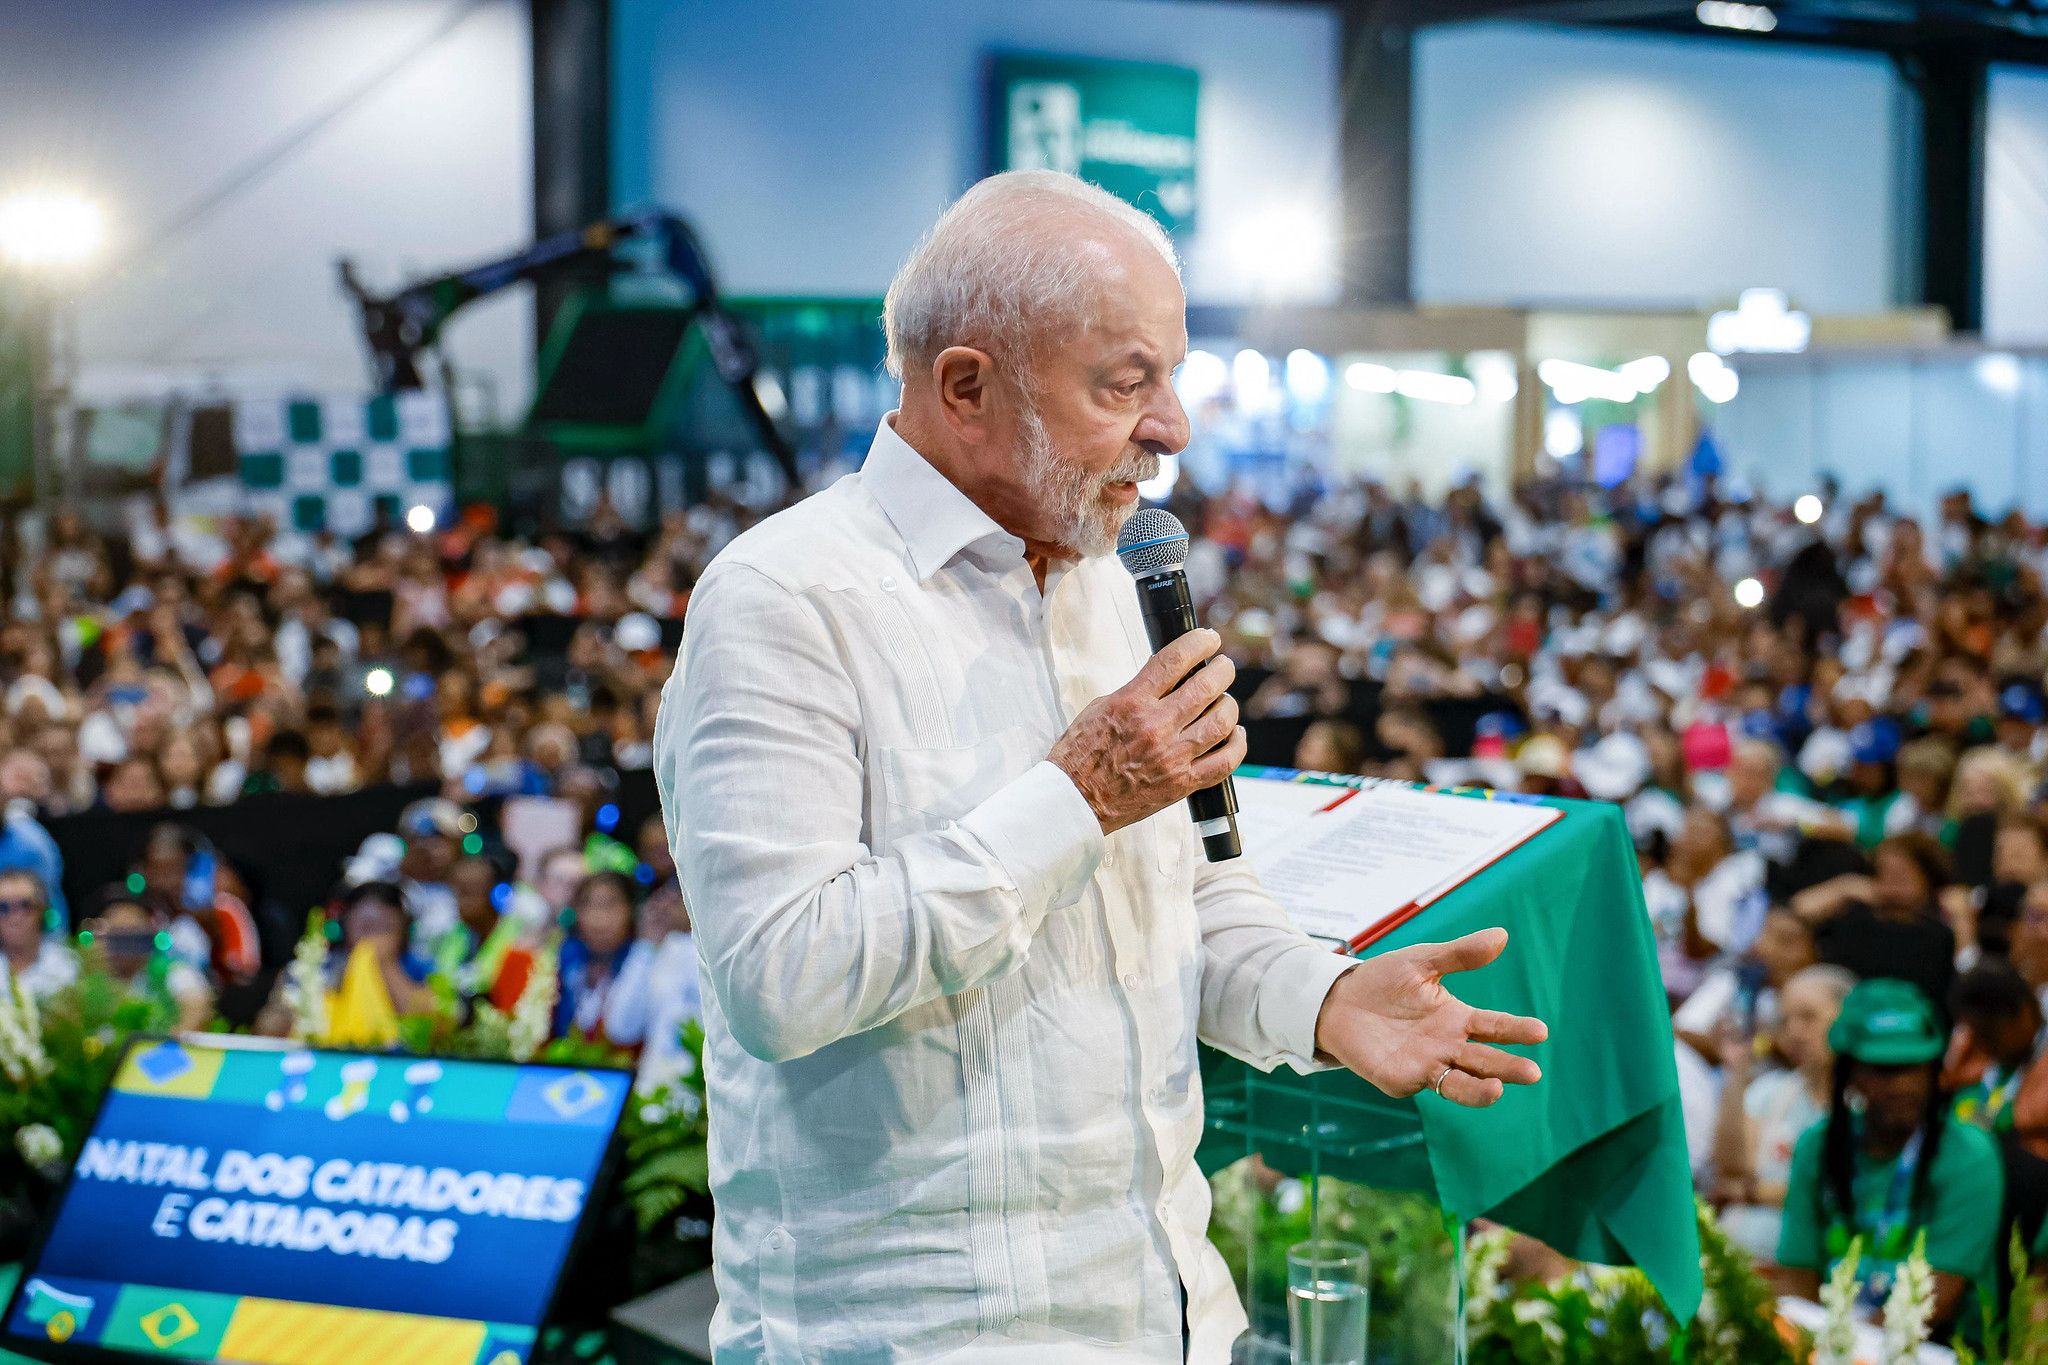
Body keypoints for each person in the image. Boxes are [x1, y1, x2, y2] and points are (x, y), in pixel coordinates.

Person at [656, 169, 1546, 1363]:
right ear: (965, 386)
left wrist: (1321, 998)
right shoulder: (786, 600)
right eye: (1123, 383)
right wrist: (1072, 797)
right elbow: (780, 977)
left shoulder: (1103, 582)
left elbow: (1183, 895)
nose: (1172, 426)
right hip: (918, 1332)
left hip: (1164, 1306)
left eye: (1169, 377)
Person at [1777, 979, 2003, 1334]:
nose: (1905, 1085)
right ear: (1850, 1074)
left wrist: (1845, 1349)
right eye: (1884, 1070)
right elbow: (1796, 1278)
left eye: (1917, 1066)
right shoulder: (1815, 1148)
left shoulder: (1968, 1155)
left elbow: (1937, 1299)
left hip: (1931, 1348)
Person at [1711, 964, 1855, 1262]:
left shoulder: (1864, 1105)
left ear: (1849, 1018)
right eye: (1785, 1020)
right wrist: (1735, 1072)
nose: (1794, 1031)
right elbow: (1731, 1170)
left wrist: (1754, 1193)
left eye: (1807, 1017)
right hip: (1737, 1257)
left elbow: (1839, 1194)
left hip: (1810, 1270)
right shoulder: (1770, 1091)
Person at [1795, 832, 1959, 1019]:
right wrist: (1845, 886)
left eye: (1901, 874)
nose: (1891, 884)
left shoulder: (1940, 933)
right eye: (1883, 873)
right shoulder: (1855, 923)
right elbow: (1797, 912)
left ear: (1927, 876)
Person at [554, 870, 640, 1041]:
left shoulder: (643, 960)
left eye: (609, 905)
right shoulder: (564, 958)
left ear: (631, 911)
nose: (599, 918)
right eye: (589, 905)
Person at [0, 868, 75, 998]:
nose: (14, 917)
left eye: (24, 906)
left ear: (42, 910)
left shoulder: (69, 966)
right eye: (3, 907)